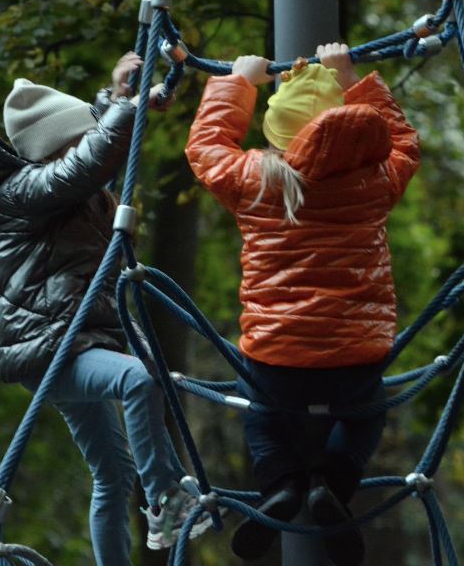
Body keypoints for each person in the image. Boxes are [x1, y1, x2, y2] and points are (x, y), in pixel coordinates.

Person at [0, 52, 206, 564]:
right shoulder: (20, 192)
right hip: (49, 351)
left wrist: (121, 98)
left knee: (113, 472)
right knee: (138, 380)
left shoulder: (72, 195)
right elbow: (88, 162)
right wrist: (123, 110)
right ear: (54, 145)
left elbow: (97, 162)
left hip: (75, 342)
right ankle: (164, 500)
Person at [184, 43, 421, 565]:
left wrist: (239, 84)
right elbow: (404, 144)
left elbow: (205, 147)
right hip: (358, 356)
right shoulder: (373, 181)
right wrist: (349, 74)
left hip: (277, 356)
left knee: (259, 411)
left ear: (275, 133)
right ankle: (331, 481)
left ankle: (281, 480)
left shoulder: (256, 179)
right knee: (365, 415)